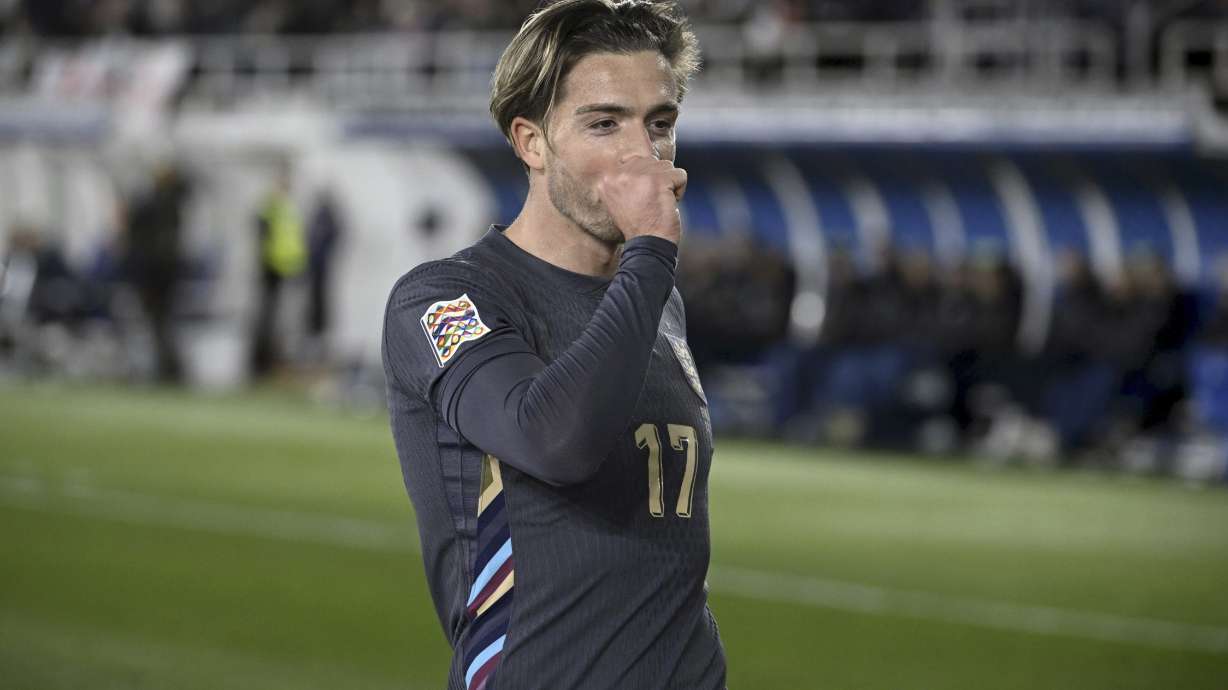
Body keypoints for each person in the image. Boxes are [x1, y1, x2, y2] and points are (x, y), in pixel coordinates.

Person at [381, 2, 725, 689]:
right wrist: (652, 252)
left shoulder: (655, 306)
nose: (643, 154)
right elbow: (553, 441)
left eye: (661, 124)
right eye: (603, 123)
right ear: (532, 142)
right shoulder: (448, 299)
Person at [251, 163, 306, 377]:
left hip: (289, 269)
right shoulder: (272, 206)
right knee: (269, 317)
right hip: (273, 269)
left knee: (284, 319)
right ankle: (265, 360)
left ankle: (277, 359)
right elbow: (263, 235)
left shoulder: (287, 206)